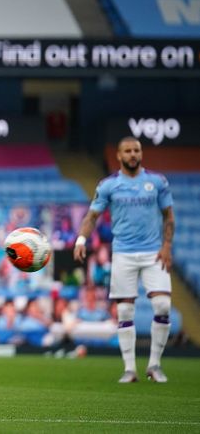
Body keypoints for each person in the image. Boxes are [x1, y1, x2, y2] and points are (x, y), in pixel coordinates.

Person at [74, 136, 175, 383]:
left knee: (162, 306)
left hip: (153, 252)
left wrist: (167, 246)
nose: (133, 154)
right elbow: (91, 216)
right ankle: (130, 369)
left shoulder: (157, 182)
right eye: (128, 151)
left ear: (141, 154)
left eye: (136, 150)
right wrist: (80, 240)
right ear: (118, 156)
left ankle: (154, 365)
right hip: (123, 253)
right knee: (125, 310)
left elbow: (168, 216)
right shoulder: (108, 185)